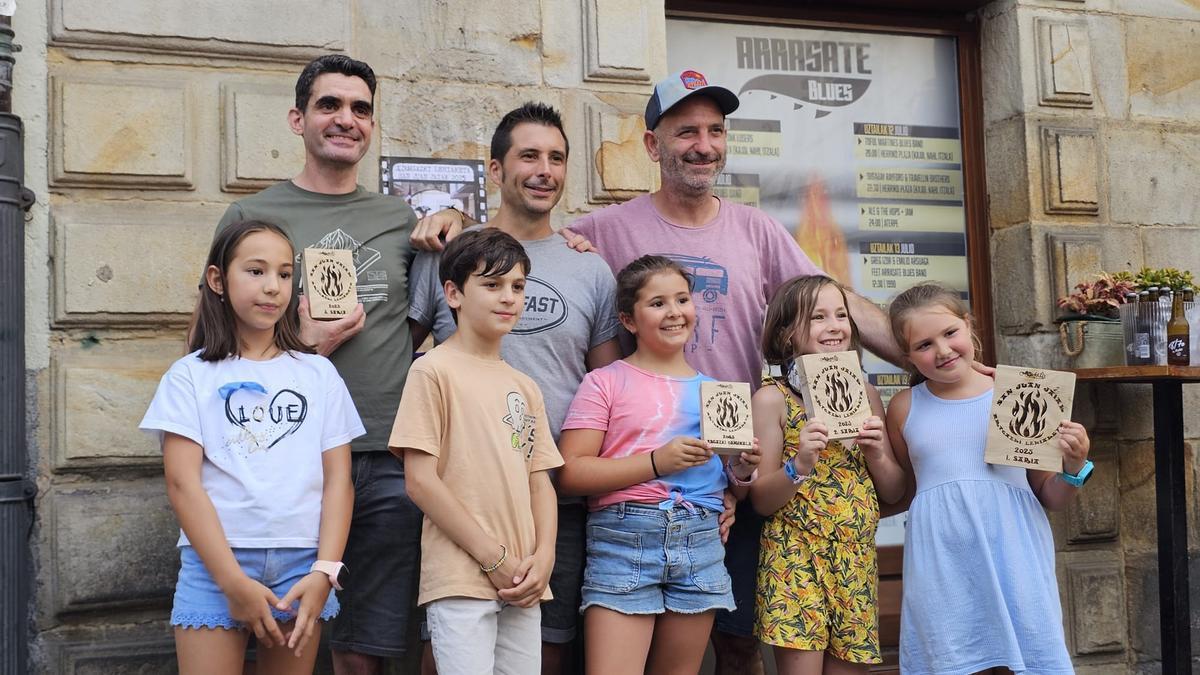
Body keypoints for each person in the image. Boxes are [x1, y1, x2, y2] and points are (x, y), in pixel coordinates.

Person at [564, 70, 903, 672]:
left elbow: (834, 302)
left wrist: (929, 357)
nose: (703, 145)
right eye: (685, 131)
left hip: (749, 459)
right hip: (657, 482)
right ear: (652, 144)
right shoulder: (604, 230)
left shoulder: (757, 229)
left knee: (739, 641)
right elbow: (525, 247)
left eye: (715, 131)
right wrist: (454, 223)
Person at [212, 54, 461, 673]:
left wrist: (466, 219)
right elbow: (209, 345)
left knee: (364, 651)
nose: (346, 119)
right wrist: (301, 343)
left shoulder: (400, 219)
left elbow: (462, 294)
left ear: (372, 125)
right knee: (281, 635)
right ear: (298, 119)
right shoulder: (250, 217)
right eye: (329, 105)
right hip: (280, 455)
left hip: (384, 452)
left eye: (360, 109)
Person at [408, 101, 621, 674]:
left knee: (542, 648)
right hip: (459, 494)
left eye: (556, 158)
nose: (543, 169)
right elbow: (403, 353)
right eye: (528, 155)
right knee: (447, 648)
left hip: (551, 492)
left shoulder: (591, 267)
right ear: (496, 171)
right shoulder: (449, 254)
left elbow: (607, 383)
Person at [141, 220, 360, 674]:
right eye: (256, 271)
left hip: (303, 567)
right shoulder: (190, 376)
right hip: (215, 567)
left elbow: (339, 481)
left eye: (284, 274)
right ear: (219, 280)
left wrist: (325, 571)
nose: (273, 288)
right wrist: (231, 580)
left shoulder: (318, 374)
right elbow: (183, 484)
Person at [557, 255, 762, 675]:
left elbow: (735, 486)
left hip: (700, 541)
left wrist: (741, 470)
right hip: (623, 540)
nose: (674, 313)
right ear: (628, 321)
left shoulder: (717, 391)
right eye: (657, 303)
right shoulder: (606, 381)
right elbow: (571, 473)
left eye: (682, 299)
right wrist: (656, 462)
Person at [884, 283, 1091, 674]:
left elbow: (1052, 494)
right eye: (924, 345)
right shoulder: (903, 407)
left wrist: (1075, 466)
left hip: (1015, 556)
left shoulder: (1019, 394)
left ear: (968, 325)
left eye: (950, 334)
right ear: (908, 357)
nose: (943, 350)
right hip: (941, 565)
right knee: (955, 660)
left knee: (1025, 655)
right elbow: (905, 490)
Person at [391, 228, 563, 674]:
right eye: (492, 284)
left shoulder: (524, 385)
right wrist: (494, 558)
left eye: (517, 286)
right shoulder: (432, 372)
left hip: (523, 581)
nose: (508, 297)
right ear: (453, 293)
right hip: (462, 578)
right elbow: (420, 481)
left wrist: (543, 558)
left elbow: (539, 480)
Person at [748, 276, 905, 674]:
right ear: (787, 335)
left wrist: (877, 453)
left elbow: (893, 491)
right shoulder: (772, 399)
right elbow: (762, 499)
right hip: (795, 558)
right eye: (818, 317)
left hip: (855, 559)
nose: (834, 325)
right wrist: (799, 463)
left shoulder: (866, 394)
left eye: (841, 315)